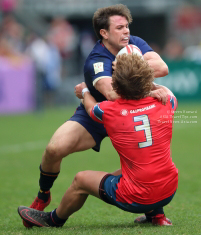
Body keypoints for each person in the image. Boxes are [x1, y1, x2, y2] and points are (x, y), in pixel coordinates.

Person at [22, 4, 169, 227]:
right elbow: (112, 94)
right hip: (98, 114)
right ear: (104, 33)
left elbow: (163, 67)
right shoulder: (96, 60)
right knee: (54, 149)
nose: (126, 31)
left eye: (127, 26)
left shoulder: (134, 43)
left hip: (126, 114)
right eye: (119, 28)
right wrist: (138, 75)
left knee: (146, 162)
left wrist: (126, 71)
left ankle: (155, 214)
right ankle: (43, 195)